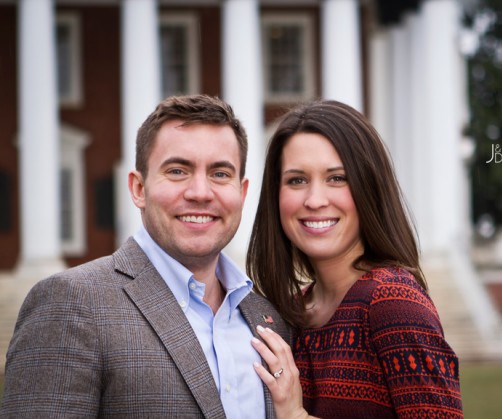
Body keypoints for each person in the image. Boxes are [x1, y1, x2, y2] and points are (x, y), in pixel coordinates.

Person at [1, 94, 291, 418]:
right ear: (139, 189)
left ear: (242, 192)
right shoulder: (71, 303)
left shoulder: (267, 317)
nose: (200, 192)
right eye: (178, 171)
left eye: (220, 174)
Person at [246, 100, 463, 418]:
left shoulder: (393, 300)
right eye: (296, 180)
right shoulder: (289, 313)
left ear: (369, 188)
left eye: (337, 178)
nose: (315, 200)